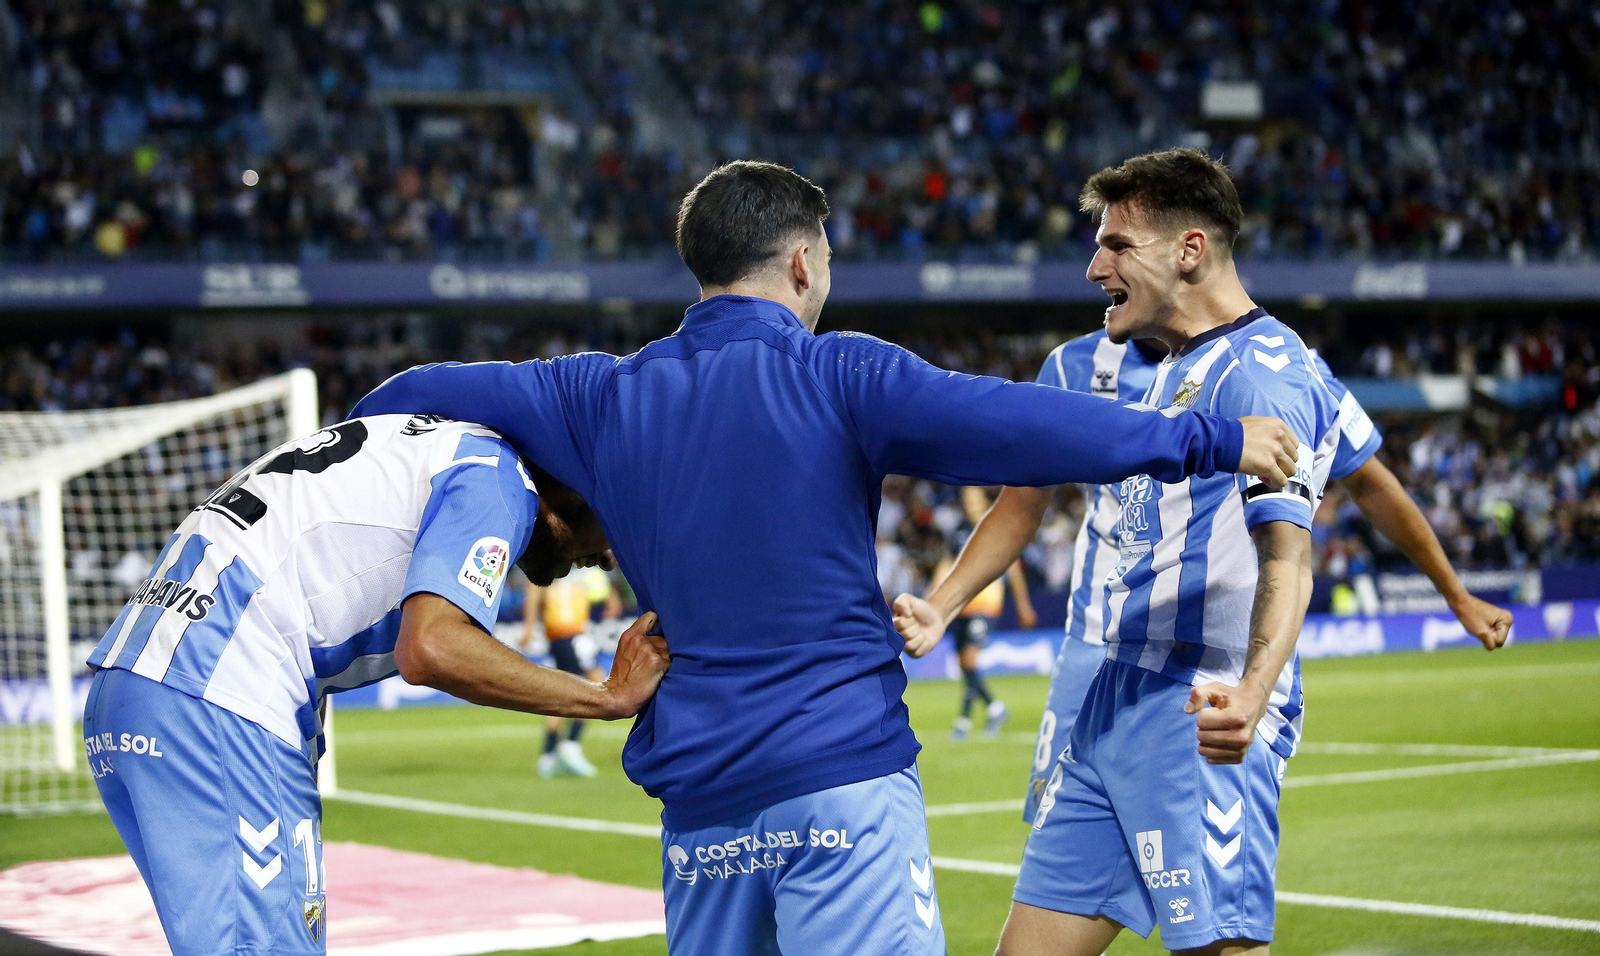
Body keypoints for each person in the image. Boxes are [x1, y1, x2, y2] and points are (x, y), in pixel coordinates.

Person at [350, 160, 1302, 956]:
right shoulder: (839, 371)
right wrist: (1205, 440)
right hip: (840, 782)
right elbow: (1012, 422)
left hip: (701, 810)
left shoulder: (594, 396)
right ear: (803, 262)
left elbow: (407, 392)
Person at [82, 414, 669, 956]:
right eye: (615, 520)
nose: (613, 554)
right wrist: (605, 696)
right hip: (217, 694)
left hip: (141, 685)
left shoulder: (433, 446)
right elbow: (433, 646)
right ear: (567, 485)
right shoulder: (498, 478)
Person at [897, 332, 1513, 825]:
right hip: (1095, 646)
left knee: (1204, 890)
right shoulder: (1071, 366)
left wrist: (1454, 594)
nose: (1099, 270)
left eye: (1117, 247)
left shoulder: (1277, 364)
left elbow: (1369, 481)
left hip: (1205, 660)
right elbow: (1020, 505)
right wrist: (944, 604)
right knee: (1060, 857)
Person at [969, 146, 1340, 956]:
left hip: (1197, 705)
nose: (1095, 266)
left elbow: (1289, 558)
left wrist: (1251, 691)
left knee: (1218, 948)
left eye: (1117, 245)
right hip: (1111, 699)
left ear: (1189, 251)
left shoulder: (1263, 376)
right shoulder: (1179, 366)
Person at [934, 486, 1037, 740]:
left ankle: (989, 709)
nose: (968, 503)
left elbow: (1012, 569)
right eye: (965, 499)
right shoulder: (960, 530)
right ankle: (969, 719)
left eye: (972, 498)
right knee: (964, 665)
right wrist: (932, 598)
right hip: (961, 605)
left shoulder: (993, 525)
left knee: (969, 661)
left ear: (983, 500)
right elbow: (947, 563)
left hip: (986, 603)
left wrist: (1024, 606)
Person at [524, 567, 622, 777]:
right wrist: (529, 627)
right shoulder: (574, 568)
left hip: (560, 636)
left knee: (561, 692)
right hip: (571, 634)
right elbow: (534, 594)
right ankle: (570, 747)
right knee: (599, 687)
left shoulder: (562, 567)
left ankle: (548, 757)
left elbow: (611, 599)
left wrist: (530, 627)